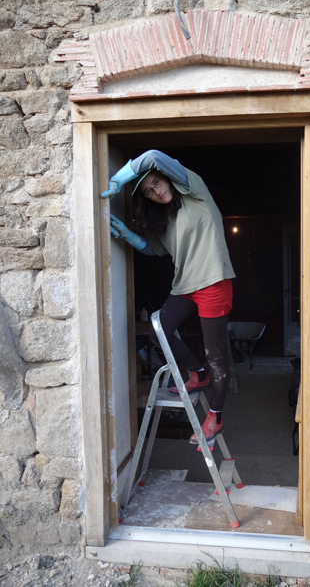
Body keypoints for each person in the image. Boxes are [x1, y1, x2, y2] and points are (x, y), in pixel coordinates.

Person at [101, 150, 235, 443]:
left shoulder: (196, 193)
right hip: (184, 286)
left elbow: (151, 156)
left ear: (168, 179)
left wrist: (118, 179)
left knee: (216, 354)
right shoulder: (164, 220)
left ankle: (216, 415)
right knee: (157, 329)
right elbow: (155, 250)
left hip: (213, 282)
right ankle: (197, 374)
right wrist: (129, 236)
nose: (156, 191)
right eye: (149, 191)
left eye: (157, 183)